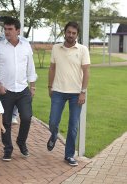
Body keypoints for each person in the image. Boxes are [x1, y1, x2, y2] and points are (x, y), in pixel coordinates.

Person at [0, 17, 37, 161]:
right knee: (5, 121)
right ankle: (7, 149)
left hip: (23, 90)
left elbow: (30, 66)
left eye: (10, 29)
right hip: (5, 90)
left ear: (18, 30)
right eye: (5, 29)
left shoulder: (26, 46)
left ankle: (21, 142)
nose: (7, 32)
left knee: (27, 117)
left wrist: (32, 85)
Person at [46, 21, 90, 166]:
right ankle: (54, 134)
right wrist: (49, 86)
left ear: (77, 35)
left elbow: (86, 72)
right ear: (64, 32)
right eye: (68, 32)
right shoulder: (56, 48)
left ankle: (69, 155)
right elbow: (52, 68)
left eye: (73, 33)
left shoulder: (83, 50)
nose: (70, 35)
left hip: (76, 94)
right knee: (53, 121)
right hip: (58, 91)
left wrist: (83, 92)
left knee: (73, 126)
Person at [0, 18, 19, 125]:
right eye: (6, 29)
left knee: (14, 89)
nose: (7, 31)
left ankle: (13, 115)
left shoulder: (3, 38)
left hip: (4, 69)